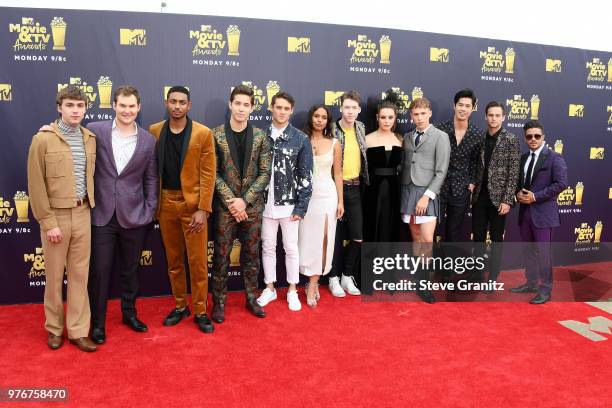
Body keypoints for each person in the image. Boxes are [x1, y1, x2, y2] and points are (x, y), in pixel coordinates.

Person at [27, 85, 98, 352]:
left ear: (85, 109)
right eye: (70, 105)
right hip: (55, 216)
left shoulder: (90, 138)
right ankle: (55, 329)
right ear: (59, 108)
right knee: (54, 277)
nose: (75, 110)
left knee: (80, 276)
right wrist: (49, 222)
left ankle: (79, 331)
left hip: (83, 214)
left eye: (80, 106)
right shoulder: (42, 139)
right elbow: (36, 185)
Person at [86, 86, 158, 344]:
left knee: (130, 270)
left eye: (132, 106)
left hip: (135, 216)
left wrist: (150, 210)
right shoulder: (95, 130)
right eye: (122, 105)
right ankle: (97, 324)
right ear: (113, 105)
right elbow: (69, 134)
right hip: (101, 215)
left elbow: (151, 178)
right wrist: (50, 129)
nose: (127, 111)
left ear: (138, 108)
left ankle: (129, 314)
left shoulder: (149, 140)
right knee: (100, 271)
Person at [149, 86, 216, 333]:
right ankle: (180, 305)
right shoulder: (155, 131)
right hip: (165, 202)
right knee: (174, 260)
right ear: (167, 103)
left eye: (182, 102)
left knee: (197, 262)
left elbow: (209, 174)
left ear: (189, 105)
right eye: (173, 101)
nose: (177, 106)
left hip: (193, 206)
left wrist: (203, 208)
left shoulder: (203, 133)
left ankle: (199, 309)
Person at [211, 84, 272, 323]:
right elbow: (212, 173)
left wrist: (244, 201)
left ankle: (251, 298)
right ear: (230, 104)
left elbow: (265, 173)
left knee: (251, 256)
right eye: (237, 103)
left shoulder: (260, 136)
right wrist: (232, 202)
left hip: (252, 208)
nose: (241, 108)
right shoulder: (215, 135)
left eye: (246, 105)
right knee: (221, 257)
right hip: (226, 209)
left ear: (252, 107)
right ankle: (219, 303)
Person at [256, 92, 313, 312]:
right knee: (268, 246)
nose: (281, 112)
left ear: (291, 110)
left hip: (290, 205)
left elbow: (306, 175)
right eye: (278, 107)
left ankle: (291, 289)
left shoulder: (300, 138)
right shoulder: (261, 136)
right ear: (271, 108)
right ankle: (269, 287)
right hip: (264, 203)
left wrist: (302, 206)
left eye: (286, 108)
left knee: (290, 248)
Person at [511, 120, 568, 304]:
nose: (533, 139)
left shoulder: (554, 157)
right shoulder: (522, 158)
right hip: (525, 213)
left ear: (543, 137)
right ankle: (531, 282)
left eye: (537, 136)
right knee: (529, 251)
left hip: (544, 214)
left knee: (544, 253)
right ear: (525, 138)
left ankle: (545, 290)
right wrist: (518, 193)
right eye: (529, 136)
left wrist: (535, 197)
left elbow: (561, 184)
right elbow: (520, 184)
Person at [400, 97, 450, 303]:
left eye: (423, 113)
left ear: (429, 113)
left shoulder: (441, 136)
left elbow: (441, 171)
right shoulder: (407, 136)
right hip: (408, 191)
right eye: (415, 114)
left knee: (427, 240)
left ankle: (424, 284)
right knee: (415, 237)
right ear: (411, 116)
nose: (419, 118)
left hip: (427, 194)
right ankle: (418, 277)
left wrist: (427, 196)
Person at [299, 105, 344, 307]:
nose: (319, 120)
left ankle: (314, 283)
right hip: (305, 197)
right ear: (311, 118)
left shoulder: (335, 143)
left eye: (323, 117)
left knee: (325, 239)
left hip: (328, 195)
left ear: (328, 120)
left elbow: (338, 174)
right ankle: (306, 280)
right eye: (316, 116)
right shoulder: (301, 139)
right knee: (307, 239)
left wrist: (341, 201)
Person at [471, 101, 520, 287]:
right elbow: (476, 165)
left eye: (497, 115)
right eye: (490, 115)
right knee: (478, 238)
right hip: (479, 197)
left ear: (503, 117)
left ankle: (492, 276)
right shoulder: (480, 138)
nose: (493, 118)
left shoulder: (511, 139)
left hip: (500, 199)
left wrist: (508, 200)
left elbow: (514, 171)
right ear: (485, 116)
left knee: (497, 239)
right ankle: (477, 274)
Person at [328, 91, 369, 297]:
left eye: (354, 108)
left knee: (358, 236)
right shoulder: (332, 130)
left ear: (359, 110)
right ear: (341, 108)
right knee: (335, 237)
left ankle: (347, 275)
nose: (351, 111)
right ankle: (333, 278)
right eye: (347, 107)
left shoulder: (361, 128)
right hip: (335, 186)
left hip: (356, 187)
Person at [435, 89, 483, 242]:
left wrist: (473, 181)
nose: (463, 109)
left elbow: (477, 161)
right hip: (437, 186)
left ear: (473, 108)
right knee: (430, 229)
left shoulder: (477, 134)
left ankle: (448, 266)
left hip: (461, 189)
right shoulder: (439, 129)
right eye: (460, 105)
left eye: (467, 106)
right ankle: (429, 265)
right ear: (454, 105)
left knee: (453, 233)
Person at [364, 93, 403, 242]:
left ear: (395, 119)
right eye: (383, 117)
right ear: (377, 117)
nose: (386, 121)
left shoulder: (400, 139)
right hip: (372, 189)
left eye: (390, 117)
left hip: (394, 189)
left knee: (391, 223)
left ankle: (388, 261)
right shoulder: (367, 139)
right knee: (372, 223)